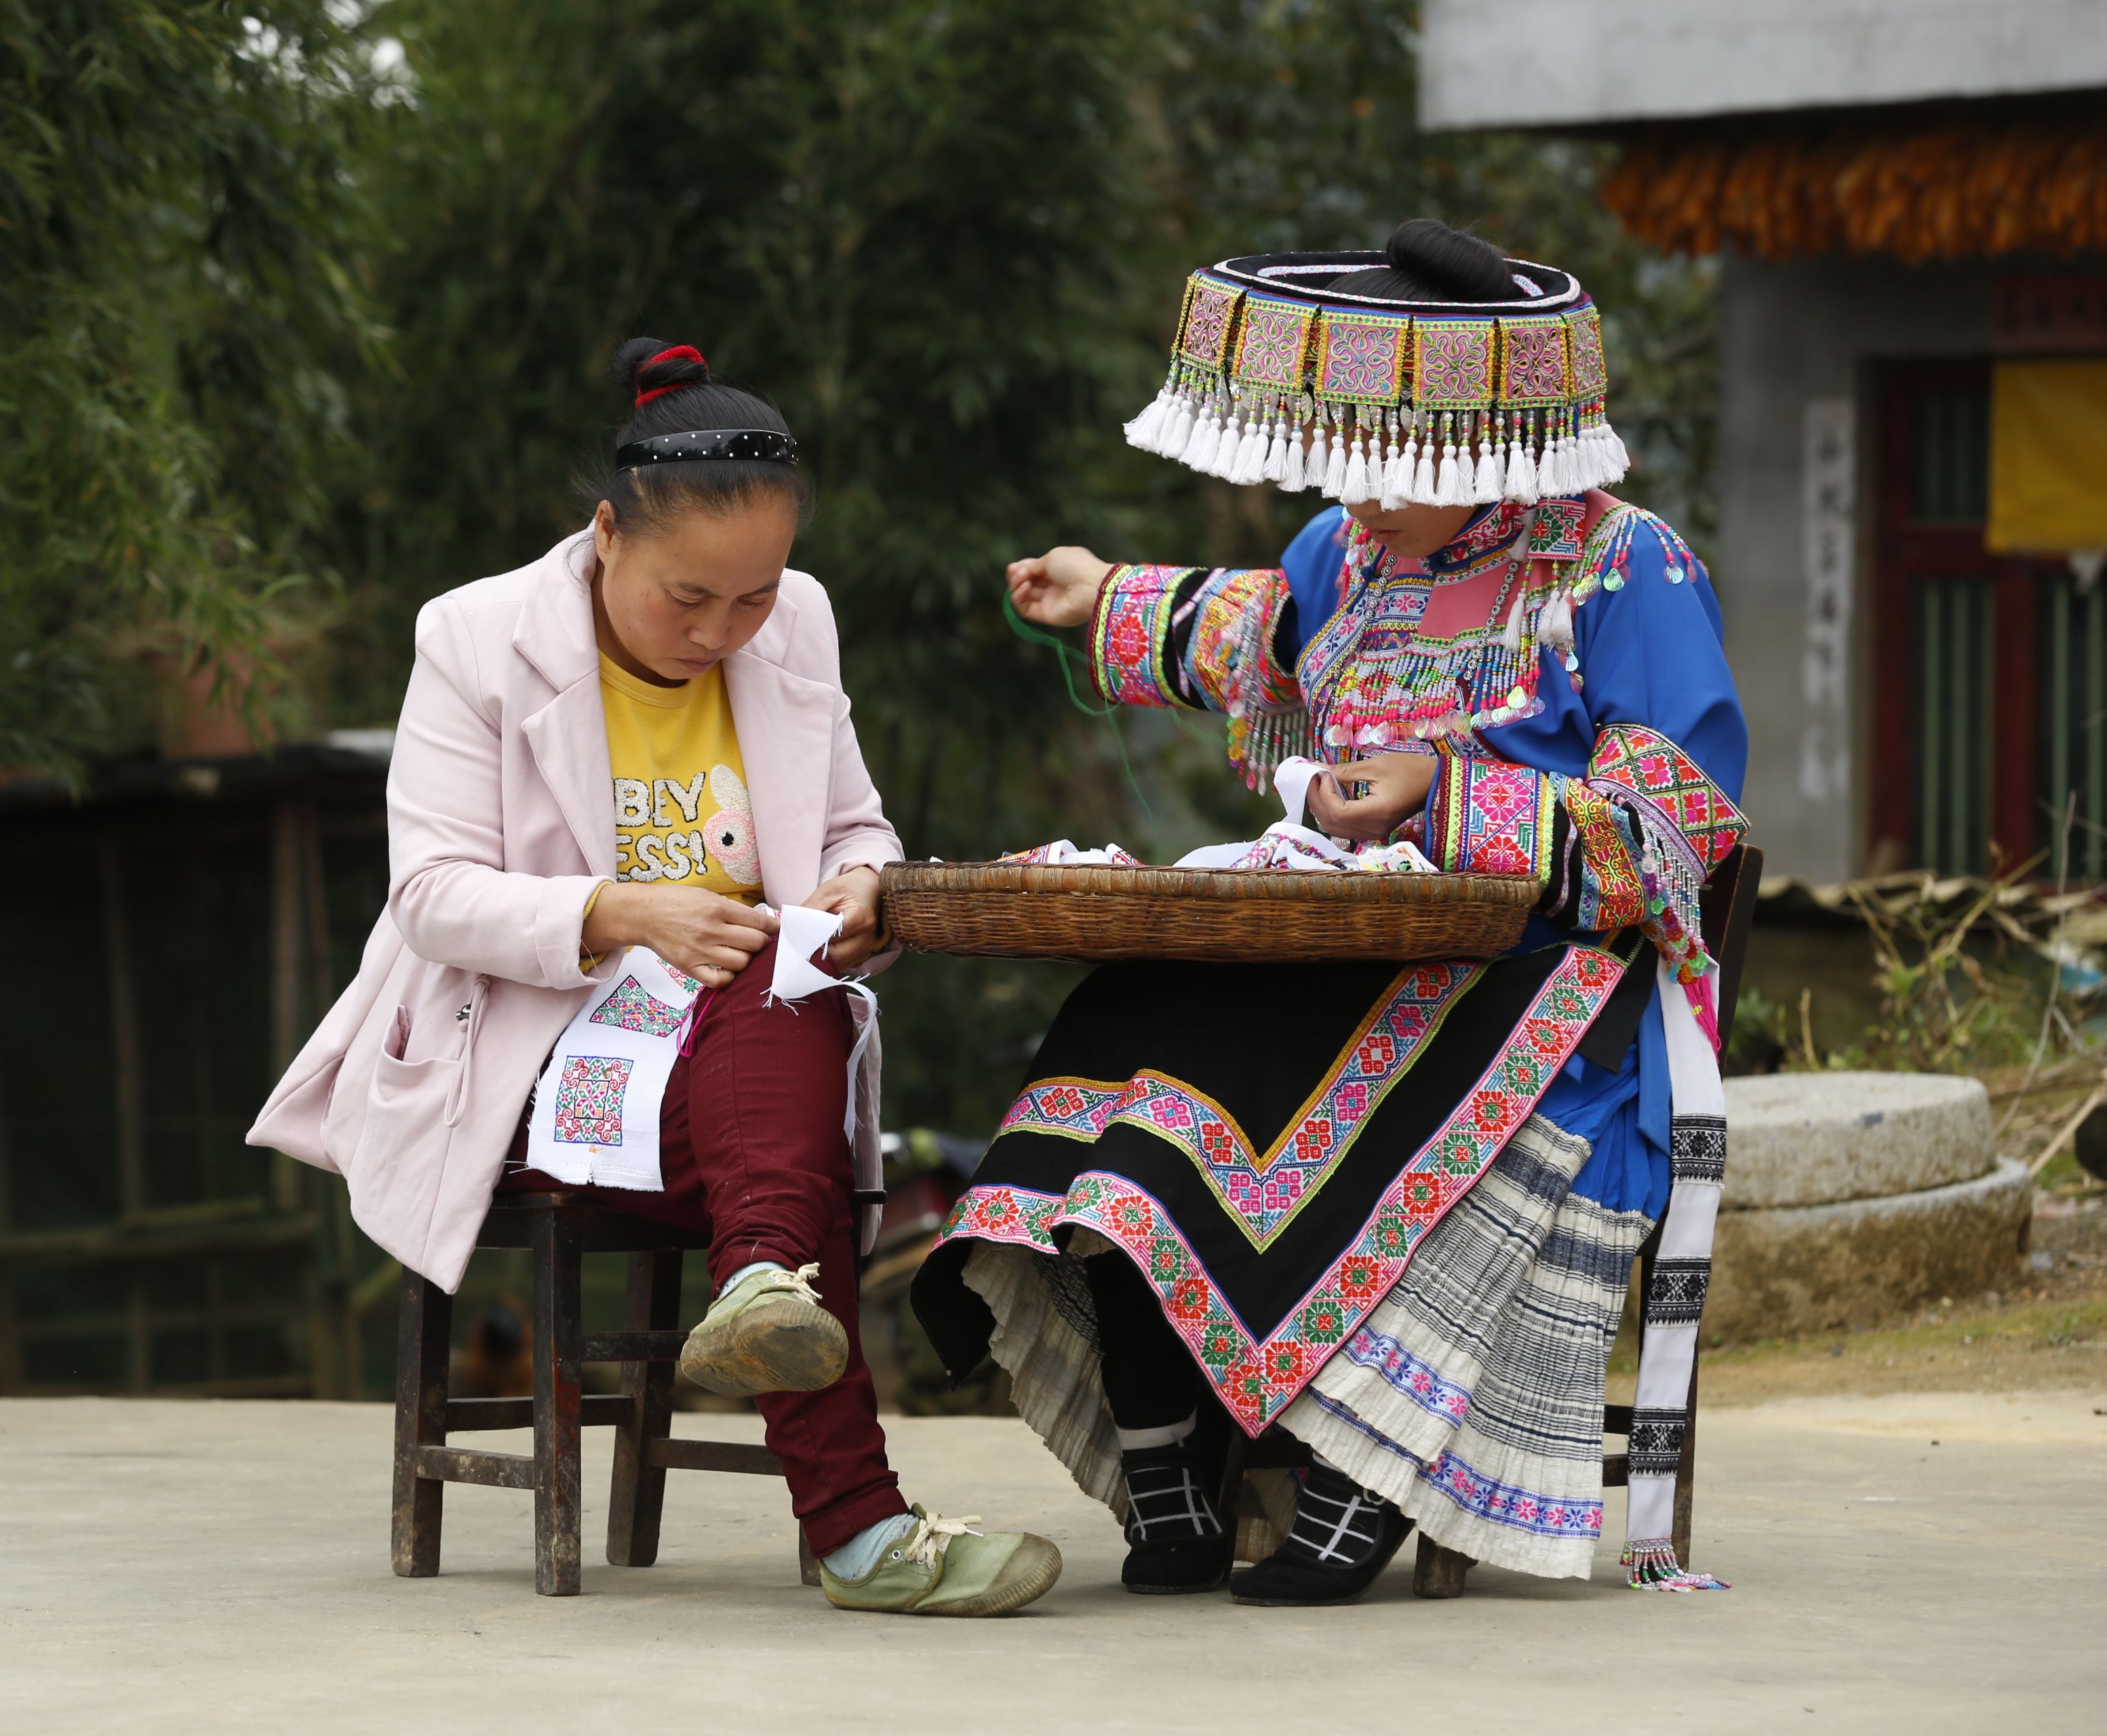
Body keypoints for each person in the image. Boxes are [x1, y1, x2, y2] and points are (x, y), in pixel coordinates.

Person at [912, 221, 1748, 1604]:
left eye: (1394, 466)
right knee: (1127, 1035)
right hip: (1333, 952)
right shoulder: (1344, 552)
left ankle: (1367, 1473)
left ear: (1489, 436)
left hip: (1543, 987)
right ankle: (1164, 1464)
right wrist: (1103, 595)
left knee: (1360, 1093)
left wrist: (1439, 791)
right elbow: (1255, 628)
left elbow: (1671, 836)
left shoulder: (1623, 570)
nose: (1358, 498)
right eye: (1345, 458)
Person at [251, 338, 1060, 1617]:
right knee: (787, 1104)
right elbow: (431, 894)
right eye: (689, 598)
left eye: (754, 599)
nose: (721, 631)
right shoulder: (474, 636)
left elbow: (855, 828)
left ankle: (768, 1302)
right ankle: (848, 1506)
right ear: (605, 535)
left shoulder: (800, 621)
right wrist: (623, 912)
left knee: (786, 1003)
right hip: (536, 1055)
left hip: (737, 1049)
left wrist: (864, 891)